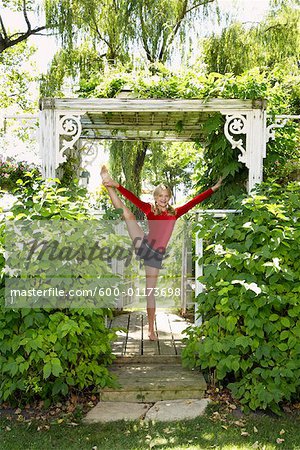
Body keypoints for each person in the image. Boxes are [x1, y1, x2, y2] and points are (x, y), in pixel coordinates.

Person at [100, 165, 222, 340]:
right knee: (128, 215)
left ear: (169, 198)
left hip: (154, 255)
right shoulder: (149, 209)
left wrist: (213, 189)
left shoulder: (175, 212)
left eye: (166, 196)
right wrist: (117, 186)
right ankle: (108, 185)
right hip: (144, 243)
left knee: (150, 291)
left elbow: (194, 201)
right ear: (155, 197)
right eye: (160, 196)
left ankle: (151, 329)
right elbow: (133, 199)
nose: (163, 199)